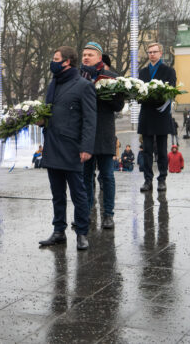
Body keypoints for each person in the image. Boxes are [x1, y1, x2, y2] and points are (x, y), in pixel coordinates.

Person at [39, 46, 97, 250]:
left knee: (78, 194)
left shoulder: (83, 85)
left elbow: (90, 120)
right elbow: (50, 112)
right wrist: (40, 120)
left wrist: (86, 147)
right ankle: (58, 231)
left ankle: (82, 232)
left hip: (73, 148)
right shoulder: (53, 84)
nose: (52, 62)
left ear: (67, 62)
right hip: (53, 145)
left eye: (56, 59)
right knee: (57, 193)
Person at [80, 42, 124, 229]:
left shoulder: (112, 78)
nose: (86, 57)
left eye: (90, 54)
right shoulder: (77, 78)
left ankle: (108, 214)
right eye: (84, 55)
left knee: (107, 175)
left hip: (105, 132)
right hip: (85, 134)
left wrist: (108, 94)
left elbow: (119, 106)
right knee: (85, 176)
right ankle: (87, 213)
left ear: (99, 58)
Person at [138, 43, 177, 192]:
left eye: (155, 52)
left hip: (161, 114)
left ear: (161, 53)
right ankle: (148, 180)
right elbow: (138, 93)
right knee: (146, 150)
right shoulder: (143, 72)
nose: (152, 54)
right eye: (149, 52)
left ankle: (162, 179)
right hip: (147, 115)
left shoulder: (168, 70)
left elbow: (171, 91)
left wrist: (155, 99)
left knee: (161, 150)